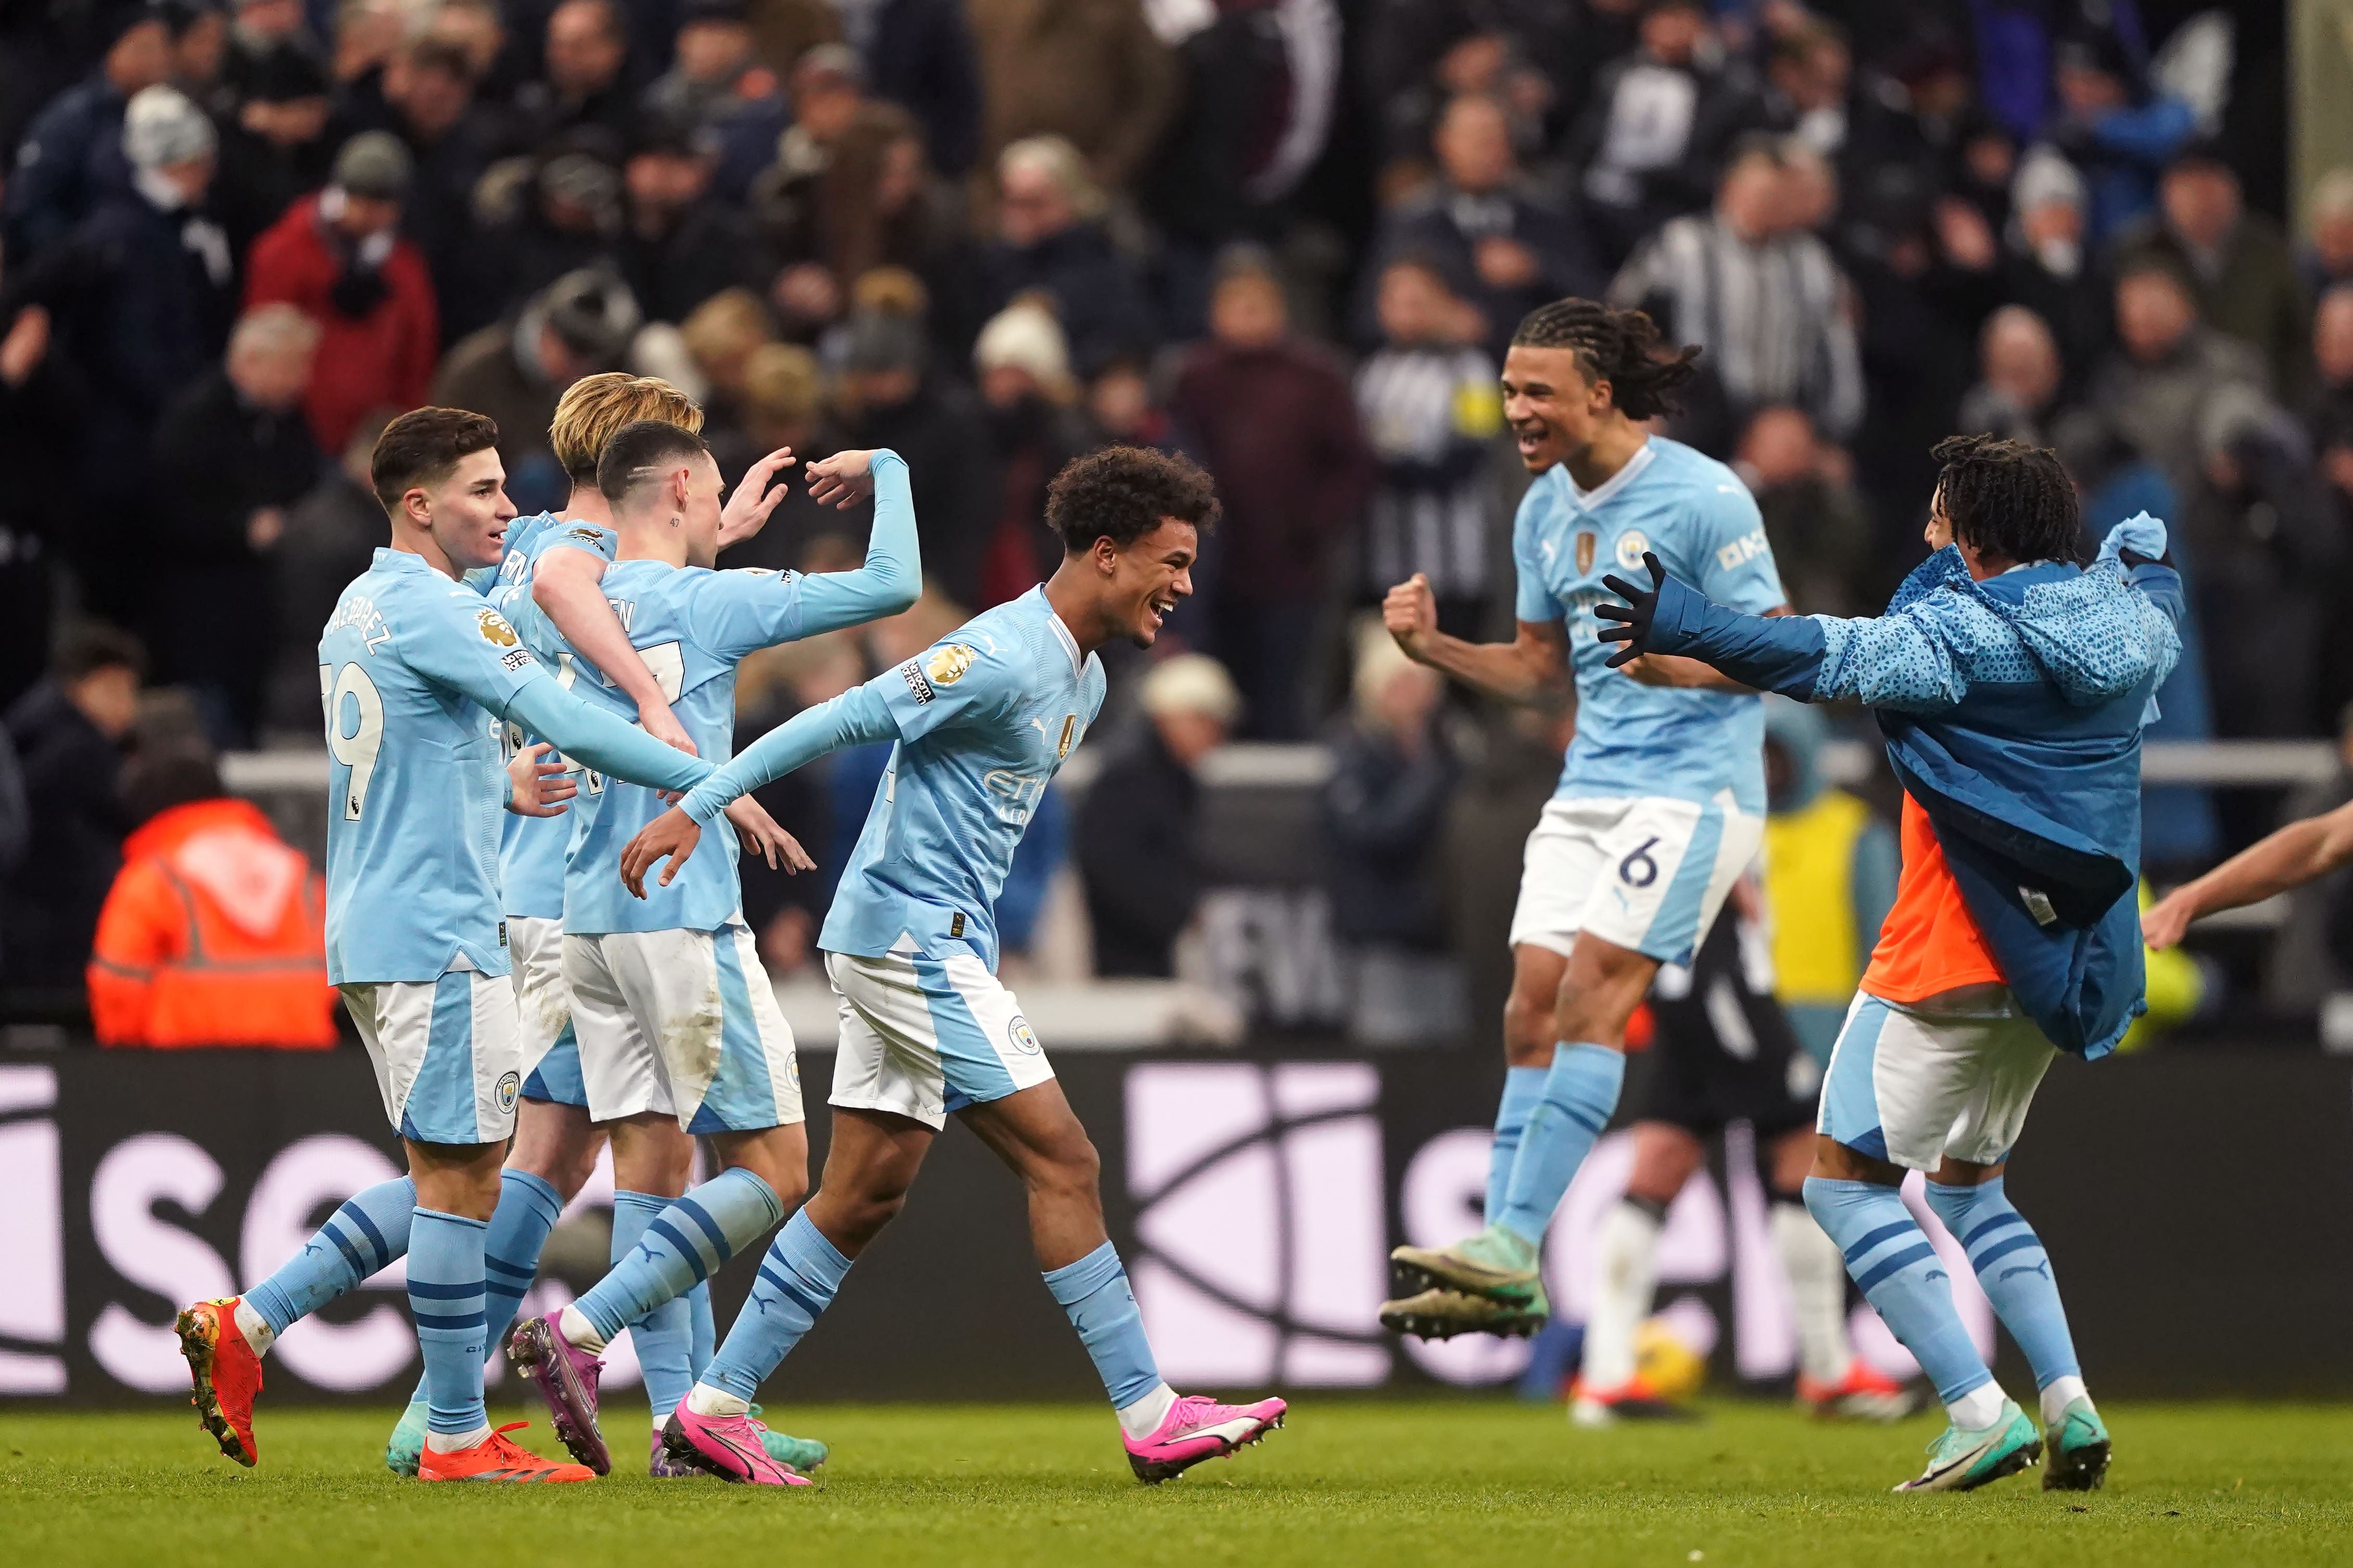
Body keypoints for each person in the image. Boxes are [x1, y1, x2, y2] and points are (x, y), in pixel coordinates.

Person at [615, 445, 1287, 1486]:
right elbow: (831, 721)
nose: (1185, 586)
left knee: (863, 1192)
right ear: (1106, 556)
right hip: (905, 939)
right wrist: (695, 808)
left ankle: (711, 1409)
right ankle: (1151, 1412)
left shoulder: (1088, 676)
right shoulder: (1001, 654)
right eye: (1173, 560)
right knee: (1064, 1160)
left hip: (934, 938)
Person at [1591, 434, 2182, 1492]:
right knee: (1968, 1192)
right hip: (2063, 958)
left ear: (1976, 534)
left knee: (1843, 1186)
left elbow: (1833, 656)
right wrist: (1692, 658)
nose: (1923, 530)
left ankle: (1972, 1409)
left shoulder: (1963, 635)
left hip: (1948, 949)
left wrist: (1681, 616)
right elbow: (2152, 608)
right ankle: (2069, 1403)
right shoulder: (2121, 624)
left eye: (1938, 512)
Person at [171, 405, 727, 1484]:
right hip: (438, 932)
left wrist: (498, 783)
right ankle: (454, 1436)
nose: (506, 508)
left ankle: (256, 1324)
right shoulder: (437, 610)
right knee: (469, 1181)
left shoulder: (361, 605)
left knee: (455, 1172)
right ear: (418, 504)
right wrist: (692, 767)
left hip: (380, 922)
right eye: (482, 489)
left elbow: (425, 745)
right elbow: (559, 716)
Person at [375, 372, 812, 1478]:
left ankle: (483, 1409)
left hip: (540, 887)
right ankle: (664, 1415)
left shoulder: (520, 555)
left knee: (561, 1159)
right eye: (687, 468)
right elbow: (648, 667)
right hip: (586, 884)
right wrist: (708, 772)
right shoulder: (581, 562)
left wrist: (714, 541)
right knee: (623, 1159)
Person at [501, 425, 920, 1478]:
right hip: (683, 919)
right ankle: (584, 1329)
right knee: (775, 1171)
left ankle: (678, 1424)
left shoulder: (575, 603)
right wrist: (890, 472)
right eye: (717, 488)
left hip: (587, 915)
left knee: (656, 1162)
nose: (725, 502)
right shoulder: (711, 604)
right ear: (683, 484)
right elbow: (892, 585)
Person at [1372, 297, 1788, 1343]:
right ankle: (1502, 1261)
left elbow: (1783, 650)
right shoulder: (1541, 509)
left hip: (1697, 790)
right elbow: (1540, 667)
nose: (1514, 409)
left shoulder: (1703, 497)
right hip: (1593, 786)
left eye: (1534, 391)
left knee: (1597, 988)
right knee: (1531, 1003)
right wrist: (1437, 654)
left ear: (1598, 394)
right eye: (1509, 390)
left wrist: (1676, 660)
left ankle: (1509, 1245)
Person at [1568, 897, 1918, 1426]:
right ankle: (1826, 1369)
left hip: (1681, 965)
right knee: (1803, 1137)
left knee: (1662, 1155)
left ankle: (1604, 1376)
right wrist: (1741, 894)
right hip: (1714, 969)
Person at [1167, 249, 1374, 739]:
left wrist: (1313, 524)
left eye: (1258, 303)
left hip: (1291, 568)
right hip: (1208, 568)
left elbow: (1355, 463)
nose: (1248, 315)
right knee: (1213, 687)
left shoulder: (1316, 377)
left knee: (1283, 690)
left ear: (1280, 308)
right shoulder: (1193, 377)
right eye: (1236, 303)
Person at [148, 303, 323, 747]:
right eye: (290, 367)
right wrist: (242, 529)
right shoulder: (195, 422)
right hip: (200, 613)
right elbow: (165, 512)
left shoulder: (290, 423)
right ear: (249, 362)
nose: (301, 381)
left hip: (262, 616)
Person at [86, 742, 337, 1048]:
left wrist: (135, 1066)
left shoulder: (154, 880)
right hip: (304, 1069)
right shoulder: (298, 875)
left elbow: (118, 989)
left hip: (188, 1073)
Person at [243, 130, 438, 454]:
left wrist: (404, 429)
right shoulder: (285, 252)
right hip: (293, 433)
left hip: (370, 439)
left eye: (381, 207)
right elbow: (262, 345)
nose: (368, 216)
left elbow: (417, 354)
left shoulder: (404, 270)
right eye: (360, 202)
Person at [1074, 652, 1237, 977]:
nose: (1216, 737)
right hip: (1120, 942)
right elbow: (1107, 862)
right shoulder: (1130, 774)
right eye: (1209, 723)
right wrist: (1172, 912)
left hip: (1151, 936)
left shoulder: (1175, 777)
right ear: (1177, 717)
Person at [1, 624, 144, 989]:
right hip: (65, 925)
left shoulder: (27, 737)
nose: (127, 708)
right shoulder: (81, 753)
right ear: (77, 687)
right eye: (114, 690)